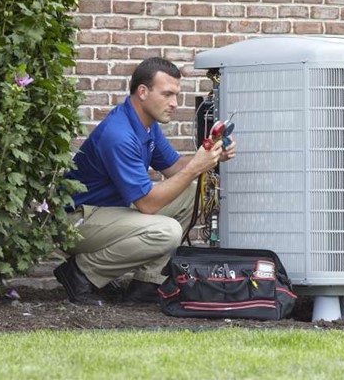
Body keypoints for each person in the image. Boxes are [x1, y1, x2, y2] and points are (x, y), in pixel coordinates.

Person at [55, 57, 235, 306]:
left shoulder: (146, 125)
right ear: (142, 92)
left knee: (194, 192)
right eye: (167, 94)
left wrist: (212, 156)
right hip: (76, 221)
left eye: (176, 95)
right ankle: (81, 273)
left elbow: (174, 170)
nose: (174, 103)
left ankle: (147, 284)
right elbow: (147, 205)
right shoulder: (119, 134)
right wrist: (196, 166)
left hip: (108, 211)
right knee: (166, 231)